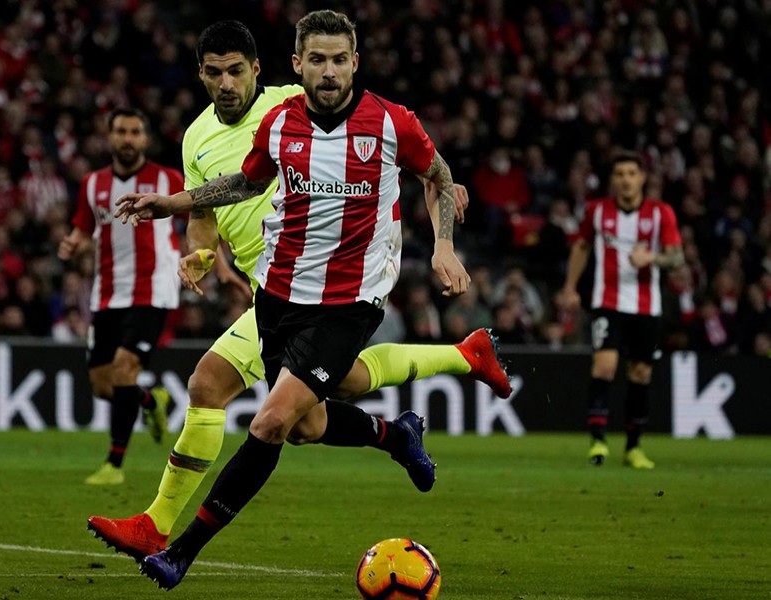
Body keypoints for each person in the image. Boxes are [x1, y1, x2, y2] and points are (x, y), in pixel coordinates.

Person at [87, 19, 511, 564]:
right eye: (214, 73)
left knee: (222, 391)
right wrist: (190, 234)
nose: (226, 83)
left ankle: (163, 532)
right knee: (311, 418)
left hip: (349, 286)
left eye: (236, 70)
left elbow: (433, 170)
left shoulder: (339, 108)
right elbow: (228, 197)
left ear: (261, 70)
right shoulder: (220, 134)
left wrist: (444, 232)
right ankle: (434, 392)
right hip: (277, 288)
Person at [58, 107, 183, 485]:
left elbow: (199, 220)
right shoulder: (92, 184)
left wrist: (211, 262)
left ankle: (113, 465)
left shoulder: (167, 179)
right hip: (107, 293)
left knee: (125, 369)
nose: (127, 139)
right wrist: (73, 243)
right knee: (103, 385)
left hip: (153, 289)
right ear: (110, 137)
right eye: (121, 132)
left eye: (134, 132)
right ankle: (150, 401)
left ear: (145, 139)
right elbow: (83, 229)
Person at [557, 150, 683, 469]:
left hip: (646, 306)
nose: (626, 180)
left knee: (640, 373)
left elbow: (676, 257)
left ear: (642, 178)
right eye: (620, 174)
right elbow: (582, 247)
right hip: (607, 302)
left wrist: (652, 258)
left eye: (631, 173)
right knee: (604, 367)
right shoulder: (597, 211)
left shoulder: (661, 213)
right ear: (612, 181)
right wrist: (570, 287)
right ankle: (598, 442)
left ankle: (633, 447)